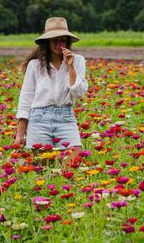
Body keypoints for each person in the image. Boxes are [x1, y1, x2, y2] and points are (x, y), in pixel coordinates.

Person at [14, 17, 88, 171]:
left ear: (68, 42)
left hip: (65, 117)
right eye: (54, 40)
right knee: (42, 170)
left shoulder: (78, 61)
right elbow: (26, 97)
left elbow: (79, 93)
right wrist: (20, 133)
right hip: (39, 118)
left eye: (63, 40)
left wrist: (70, 67)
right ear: (46, 42)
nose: (59, 44)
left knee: (72, 166)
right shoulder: (35, 65)